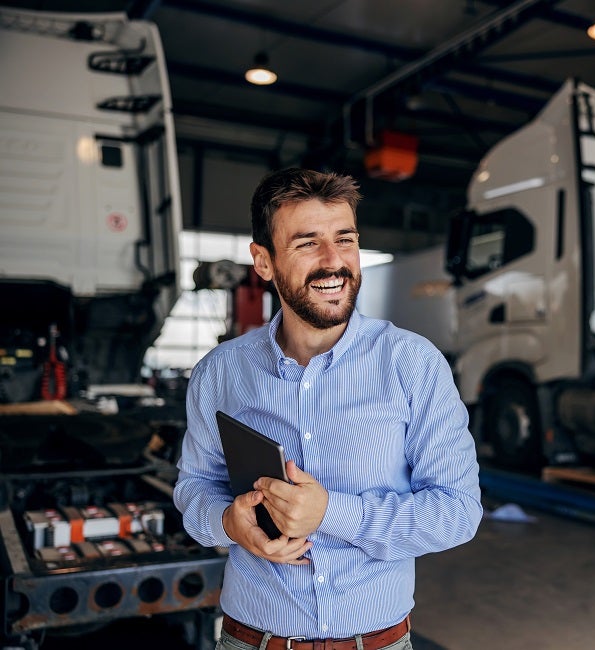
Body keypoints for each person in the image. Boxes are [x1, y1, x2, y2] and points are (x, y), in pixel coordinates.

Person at [173, 168, 483, 650]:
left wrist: (331, 514)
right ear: (263, 261)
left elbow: (458, 512)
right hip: (251, 639)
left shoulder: (412, 364)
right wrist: (227, 522)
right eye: (307, 243)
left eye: (345, 239)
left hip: (376, 641)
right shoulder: (221, 372)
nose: (334, 262)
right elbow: (193, 487)